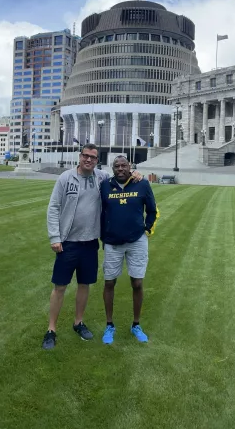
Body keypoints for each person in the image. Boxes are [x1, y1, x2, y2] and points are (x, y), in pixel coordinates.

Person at [43, 144, 130, 350]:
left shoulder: (101, 178)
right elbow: (54, 207)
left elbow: (121, 176)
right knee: (60, 287)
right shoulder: (65, 178)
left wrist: (134, 173)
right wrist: (55, 237)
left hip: (90, 243)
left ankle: (78, 322)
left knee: (85, 285)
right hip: (67, 243)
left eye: (93, 157)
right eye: (85, 156)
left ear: (97, 160)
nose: (89, 160)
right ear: (80, 157)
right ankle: (51, 330)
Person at [100, 155, 158, 345]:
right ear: (112, 168)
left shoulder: (142, 184)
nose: (120, 169)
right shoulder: (105, 186)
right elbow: (99, 212)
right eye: (116, 166)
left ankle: (136, 324)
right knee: (109, 283)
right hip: (113, 243)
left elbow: (152, 209)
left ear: (130, 166)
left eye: (124, 165)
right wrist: (104, 234)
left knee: (137, 283)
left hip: (136, 241)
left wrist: (147, 229)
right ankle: (110, 325)